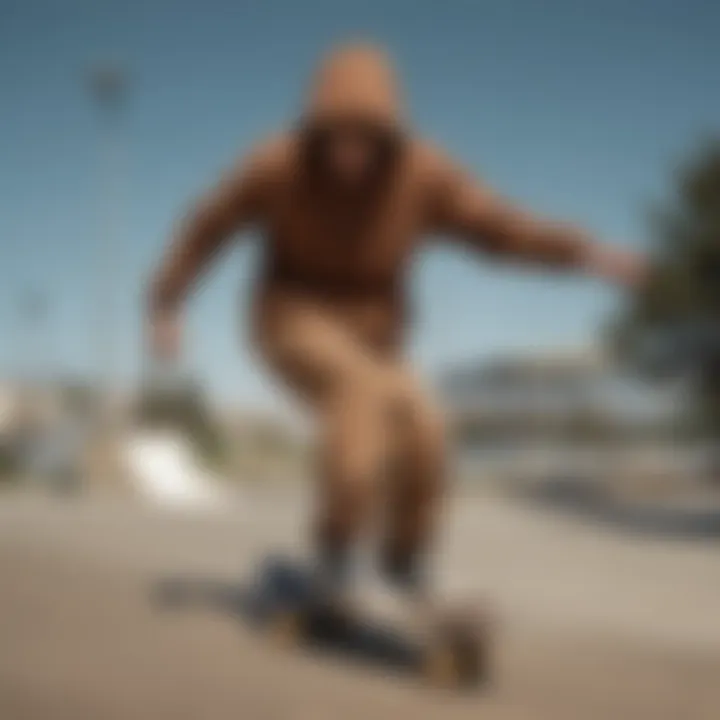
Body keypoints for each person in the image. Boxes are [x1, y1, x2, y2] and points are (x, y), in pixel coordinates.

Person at [147, 42, 645, 602]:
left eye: (366, 140)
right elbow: (208, 225)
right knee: (360, 394)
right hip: (290, 317)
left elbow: (497, 228)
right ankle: (335, 552)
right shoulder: (276, 165)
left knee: (427, 427)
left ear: (388, 136)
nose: (350, 155)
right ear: (317, 130)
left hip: (375, 335)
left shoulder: (423, 173)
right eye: (337, 138)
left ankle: (405, 558)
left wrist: (583, 254)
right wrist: (167, 303)